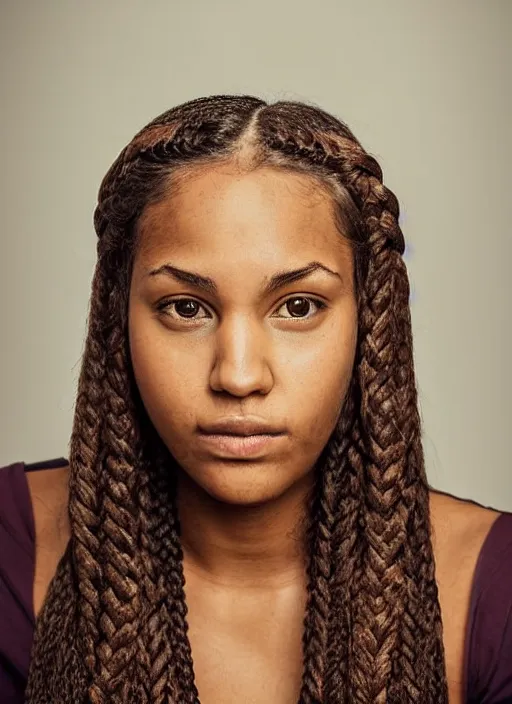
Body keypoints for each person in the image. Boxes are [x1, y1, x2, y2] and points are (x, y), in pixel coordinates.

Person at [0, 95, 510, 704]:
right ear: (118, 317)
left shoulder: (495, 594)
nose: (239, 376)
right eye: (185, 308)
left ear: (371, 319)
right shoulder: (11, 552)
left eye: (298, 306)